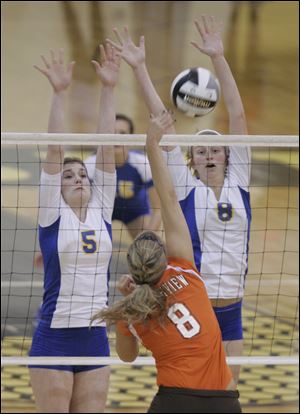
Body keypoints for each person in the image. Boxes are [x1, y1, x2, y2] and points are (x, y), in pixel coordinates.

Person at [106, 15, 250, 386]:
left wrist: (218, 57)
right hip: (192, 303)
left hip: (231, 308)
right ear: (193, 160)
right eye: (199, 150)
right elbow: (162, 124)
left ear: (227, 153)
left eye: (214, 148)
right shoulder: (187, 187)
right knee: (190, 390)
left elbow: (237, 113)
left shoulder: (240, 181)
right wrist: (139, 68)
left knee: (227, 395)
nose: (207, 154)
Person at [92, 111, 241, 414]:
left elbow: (127, 357)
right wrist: (152, 144)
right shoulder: (185, 269)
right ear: (163, 255)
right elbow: (169, 199)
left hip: (173, 401)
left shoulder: (134, 308)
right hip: (222, 402)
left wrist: (125, 306)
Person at [28, 45, 119, 413]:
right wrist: (59, 94)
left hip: (95, 338)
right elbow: (54, 151)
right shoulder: (53, 213)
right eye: (69, 176)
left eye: (83, 174)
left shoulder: (102, 209)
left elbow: (108, 148)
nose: (78, 178)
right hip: (54, 338)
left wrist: (109, 88)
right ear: (58, 187)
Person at [85, 114, 162, 239]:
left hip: (134, 210)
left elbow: (158, 210)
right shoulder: (90, 165)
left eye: (122, 133)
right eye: (113, 133)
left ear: (131, 139)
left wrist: (146, 239)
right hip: (101, 211)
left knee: (149, 243)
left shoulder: (142, 163)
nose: (117, 138)